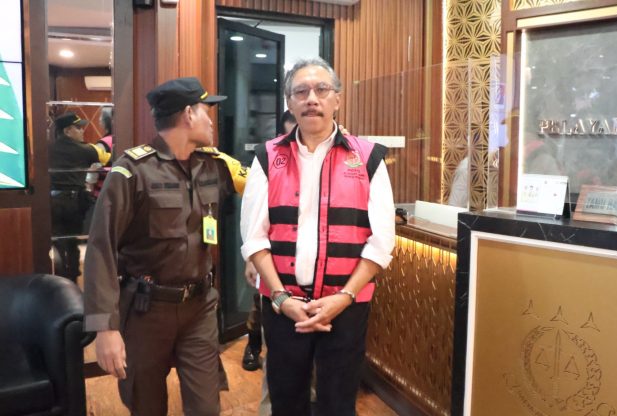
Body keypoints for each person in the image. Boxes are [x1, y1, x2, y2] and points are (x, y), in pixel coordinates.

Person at [82, 77, 248, 416]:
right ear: (188, 114)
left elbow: (268, 184)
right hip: (146, 311)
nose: (211, 120)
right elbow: (100, 248)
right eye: (205, 110)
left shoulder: (214, 165)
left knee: (206, 407)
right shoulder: (132, 172)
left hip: (200, 307)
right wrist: (105, 327)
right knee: (146, 405)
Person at [240, 57, 396, 416]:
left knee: (338, 402)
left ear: (337, 99)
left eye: (322, 89)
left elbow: (382, 241)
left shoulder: (368, 158)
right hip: (283, 305)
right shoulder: (266, 157)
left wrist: (343, 296)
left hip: (346, 306)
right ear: (289, 102)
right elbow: (254, 238)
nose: (312, 98)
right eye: (301, 91)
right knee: (286, 400)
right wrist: (281, 298)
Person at [242, 110, 298, 374]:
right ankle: (253, 345)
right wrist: (250, 259)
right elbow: (253, 220)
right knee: (261, 305)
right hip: (271, 258)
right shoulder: (269, 161)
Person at [49, 111, 111, 282]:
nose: (82, 131)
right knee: (72, 241)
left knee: (58, 242)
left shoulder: (48, 148)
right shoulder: (85, 149)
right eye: (78, 128)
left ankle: (60, 279)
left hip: (52, 201)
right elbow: (107, 158)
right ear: (67, 131)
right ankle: (73, 279)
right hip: (73, 202)